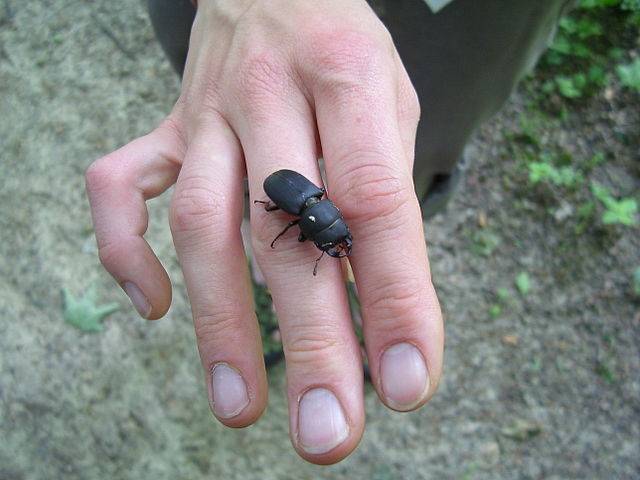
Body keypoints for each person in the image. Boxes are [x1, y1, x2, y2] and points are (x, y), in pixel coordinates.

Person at [85, 0, 571, 465]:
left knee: (391, 172)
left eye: (333, 243)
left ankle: (344, 290)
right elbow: (305, 225)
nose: (332, 244)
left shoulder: (319, 215)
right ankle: (270, 280)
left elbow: (332, 221)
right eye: (333, 243)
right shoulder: (310, 215)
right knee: (247, 142)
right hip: (241, 73)